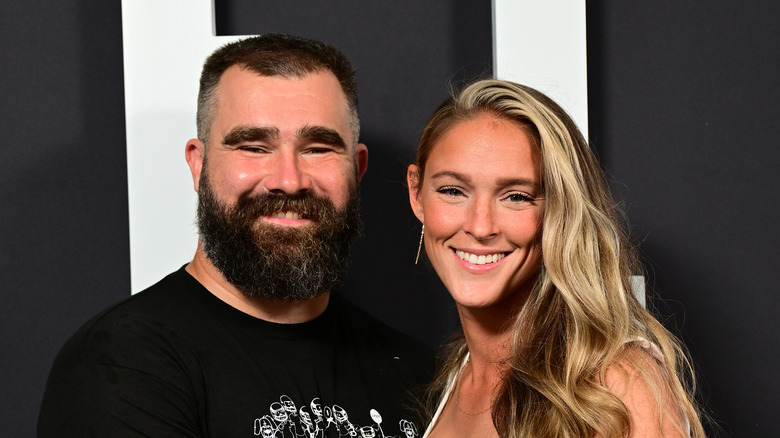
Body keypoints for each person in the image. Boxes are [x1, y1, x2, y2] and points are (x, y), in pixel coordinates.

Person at [38, 34, 434, 437]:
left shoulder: (421, 375)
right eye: (253, 146)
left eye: (317, 148)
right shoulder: (121, 364)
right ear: (199, 165)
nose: (289, 181)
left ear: (357, 169)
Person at [406, 79, 706, 437]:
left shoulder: (616, 382)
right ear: (417, 193)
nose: (480, 226)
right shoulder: (456, 376)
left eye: (516, 196)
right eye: (453, 191)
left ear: (561, 212)